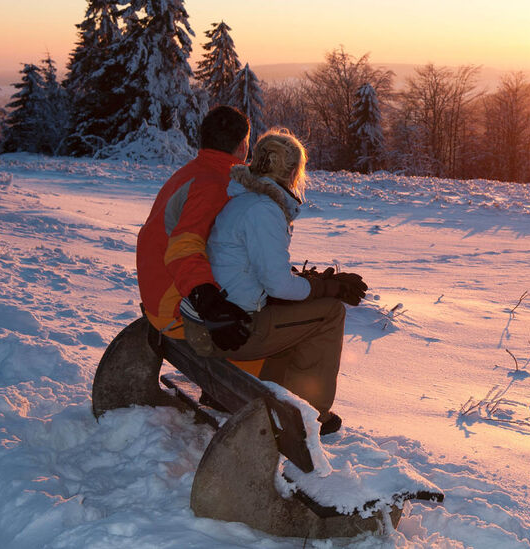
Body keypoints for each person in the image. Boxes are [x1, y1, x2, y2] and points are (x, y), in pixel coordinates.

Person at [182, 128, 367, 435]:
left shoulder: (243, 200)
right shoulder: (264, 210)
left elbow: (258, 272)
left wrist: (309, 283)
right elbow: (278, 286)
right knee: (330, 313)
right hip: (232, 330)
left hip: (215, 322)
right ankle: (309, 415)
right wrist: (326, 289)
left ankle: (281, 397)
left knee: (298, 315)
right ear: (293, 171)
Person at [137, 106, 254, 351]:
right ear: (243, 146)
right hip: (174, 309)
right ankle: (259, 388)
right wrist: (209, 303)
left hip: (157, 296)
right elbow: (184, 248)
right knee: (275, 330)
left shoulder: (192, 172)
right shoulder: (215, 184)